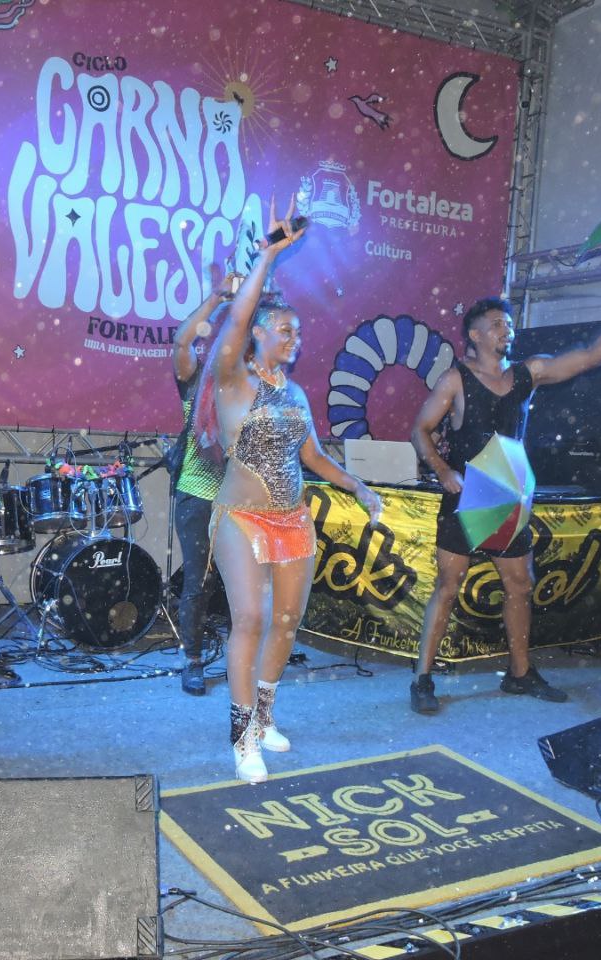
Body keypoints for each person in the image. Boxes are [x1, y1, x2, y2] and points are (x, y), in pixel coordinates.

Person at [408, 270, 601, 715]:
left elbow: (592, 356)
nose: (507, 330)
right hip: (466, 495)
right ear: (475, 335)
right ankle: (423, 678)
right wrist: (443, 470)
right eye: (497, 325)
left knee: (520, 585)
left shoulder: (529, 372)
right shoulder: (455, 379)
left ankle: (520, 674)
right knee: (448, 587)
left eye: (509, 324)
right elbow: (420, 430)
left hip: (508, 493)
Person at [200, 198, 383, 783]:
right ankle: (241, 739)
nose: (294, 338)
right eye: (284, 330)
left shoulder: (297, 393)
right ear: (257, 334)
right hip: (241, 517)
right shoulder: (232, 377)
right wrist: (268, 257)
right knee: (250, 619)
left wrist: (357, 485)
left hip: (292, 520)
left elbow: (314, 457)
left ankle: (264, 717)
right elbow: (235, 320)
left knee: (285, 620)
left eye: (298, 332)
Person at [170, 267, 237, 695]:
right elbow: (181, 342)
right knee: (198, 582)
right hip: (197, 495)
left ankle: (239, 658)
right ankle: (192, 660)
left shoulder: (245, 387)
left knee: (239, 584)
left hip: (237, 499)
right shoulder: (196, 379)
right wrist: (216, 298)